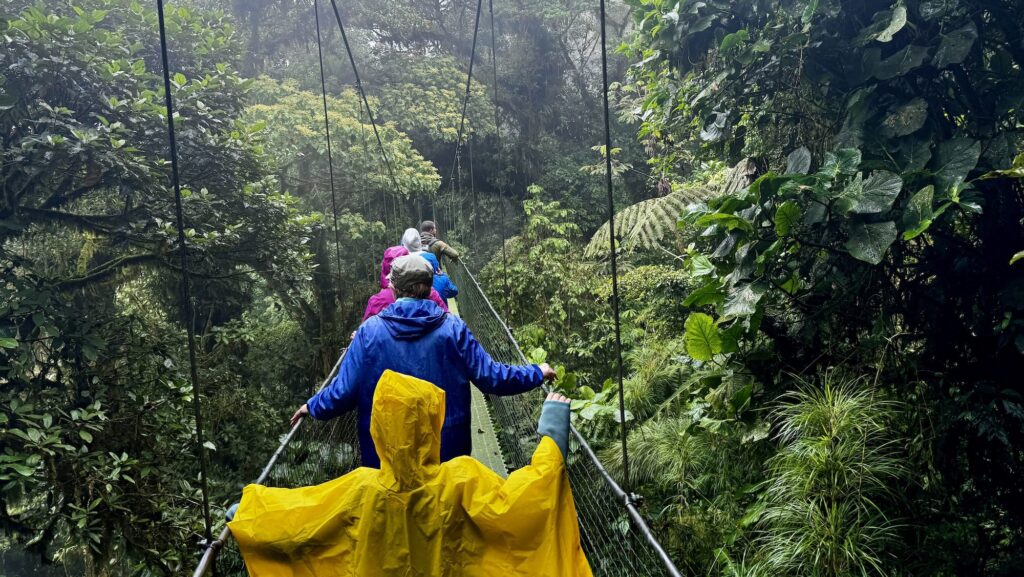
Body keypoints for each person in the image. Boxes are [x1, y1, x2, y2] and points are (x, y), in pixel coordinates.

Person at [229, 371, 592, 576]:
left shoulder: (360, 489)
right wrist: (552, 437)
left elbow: (300, 518)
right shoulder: (461, 479)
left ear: (379, 428)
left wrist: (249, 515)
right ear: (432, 425)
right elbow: (523, 503)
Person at [292, 255, 555, 467]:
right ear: (430, 288)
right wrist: (536, 372)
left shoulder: (369, 331)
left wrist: (313, 406)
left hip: (387, 457)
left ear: (393, 287)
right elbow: (491, 377)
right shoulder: (453, 328)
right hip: (445, 453)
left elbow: (344, 391)